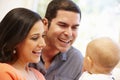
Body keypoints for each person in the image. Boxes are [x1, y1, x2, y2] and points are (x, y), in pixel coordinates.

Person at [29, 0, 83, 80]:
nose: (69, 33)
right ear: (45, 24)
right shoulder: (24, 48)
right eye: (63, 25)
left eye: (74, 27)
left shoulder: (76, 60)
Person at [0, 8, 46, 80]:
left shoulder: (38, 75)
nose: (43, 44)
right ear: (15, 41)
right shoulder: (4, 72)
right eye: (35, 38)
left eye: (43, 36)